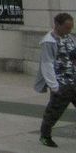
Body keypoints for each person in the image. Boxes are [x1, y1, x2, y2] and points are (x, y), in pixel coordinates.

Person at [36, 12, 76, 148]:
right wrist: (54, 86)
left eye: (71, 27)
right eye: (66, 27)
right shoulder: (49, 41)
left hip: (74, 80)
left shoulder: (69, 38)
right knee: (54, 111)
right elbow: (46, 65)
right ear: (57, 25)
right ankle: (45, 136)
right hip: (62, 84)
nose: (69, 30)